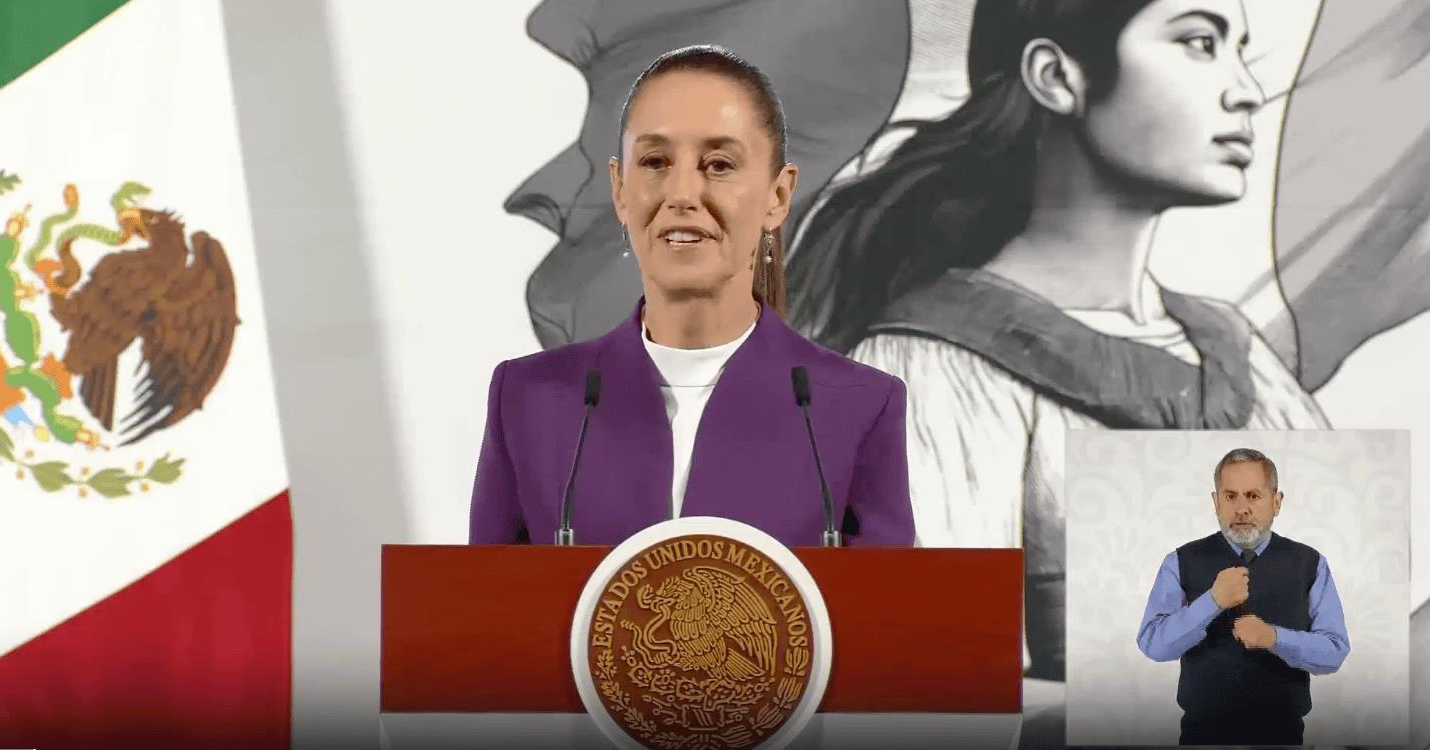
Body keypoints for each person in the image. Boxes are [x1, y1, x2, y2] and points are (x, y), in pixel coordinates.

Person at [786, 0, 1328, 712]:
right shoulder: (927, 366)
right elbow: (929, 696)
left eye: (1240, 50)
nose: (1247, 90)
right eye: (1200, 42)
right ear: (1055, 75)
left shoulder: (1241, 355)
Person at [469, 45, 914, 547]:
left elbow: (884, 598)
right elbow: (487, 596)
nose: (682, 193)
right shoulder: (528, 400)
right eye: (655, 161)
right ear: (619, 189)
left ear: (778, 196)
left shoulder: (857, 408)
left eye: (719, 164)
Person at [1137, 448, 1349, 745]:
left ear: (1276, 502)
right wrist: (1212, 601)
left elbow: (1334, 651)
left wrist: (1274, 638)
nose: (1241, 509)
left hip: (1284, 737)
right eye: (1230, 496)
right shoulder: (1180, 561)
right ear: (1216, 502)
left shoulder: (1310, 564)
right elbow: (1153, 644)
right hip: (1202, 737)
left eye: (1253, 496)